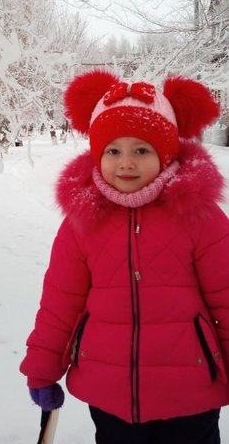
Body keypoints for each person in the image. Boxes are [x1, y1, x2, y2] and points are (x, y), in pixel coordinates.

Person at [20, 70, 229, 444]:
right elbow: (60, 302)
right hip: (109, 393)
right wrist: (43, 369)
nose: (126, 163)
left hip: (190, 392)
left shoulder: (199, 216)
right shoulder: (82, 222)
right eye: (113, 151)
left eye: (141, 150)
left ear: (166, 154)